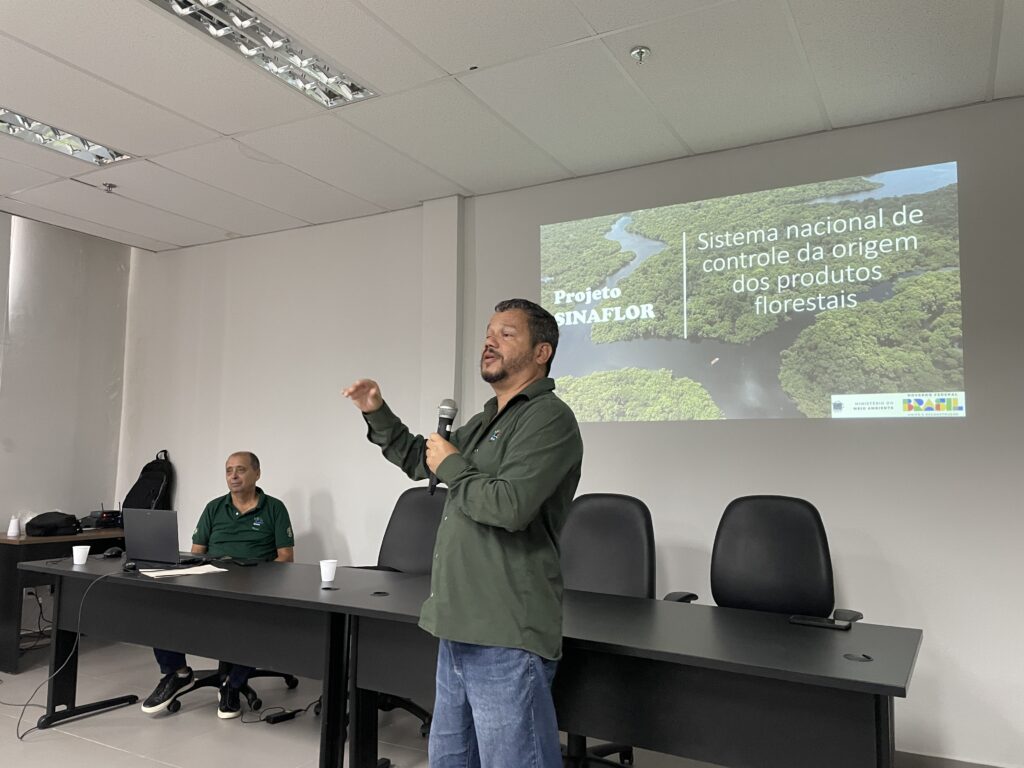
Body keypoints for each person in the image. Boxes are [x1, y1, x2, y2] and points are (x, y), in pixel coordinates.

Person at [343, 298, 583, 768]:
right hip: (457, 623)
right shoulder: (486, 419)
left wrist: (452, 464)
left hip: (506, 630)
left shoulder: (549, 418)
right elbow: (424, 460)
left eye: (506, 334)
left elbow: (509, 506)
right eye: (488, 333)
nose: (490, 342)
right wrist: (377, 411)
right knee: (451, 760)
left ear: (542, 352)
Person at [140, 451, 295, 719]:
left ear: (257, 473)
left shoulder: (274, 508)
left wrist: (263, 580)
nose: (233, 476)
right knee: (162, 605)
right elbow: (196, 552)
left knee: (255, 619)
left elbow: (285, 558)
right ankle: (177, 673)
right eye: (228, 470)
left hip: (255, 586)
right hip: (212, 582)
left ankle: (232, 684)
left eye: (240, 470)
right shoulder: (214, 507)